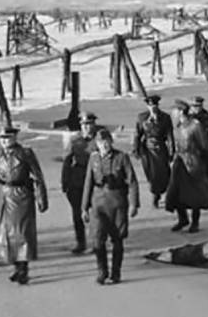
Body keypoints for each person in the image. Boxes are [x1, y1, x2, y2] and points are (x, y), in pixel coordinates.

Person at [0, 126, 48, 284]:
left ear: (15, 138)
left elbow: (37, 176)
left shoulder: (25, 153)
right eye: (2, 138)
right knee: (7, 234)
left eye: (8, 138)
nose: (5, 141)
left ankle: (23, 269)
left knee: (21, 234)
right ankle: (15, 266)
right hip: (4, 194)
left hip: (21, 195)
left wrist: (41, 198)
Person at [81, 129, 140, 284]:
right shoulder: (93, 159)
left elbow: (132, 181)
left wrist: (134, 204)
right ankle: (102, 271)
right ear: (96, 144)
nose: (104, 145)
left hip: (117, 202)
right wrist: (84, 207)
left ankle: (116, 272)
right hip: (98, 202)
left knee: (117, 239)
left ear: (111, 142)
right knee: (98, 239)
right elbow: (88, 183)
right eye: (101, 142)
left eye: (107, 142)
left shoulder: (122, 157)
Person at [165, 100, 208, 232]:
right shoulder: (176, 126)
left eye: (174, 111)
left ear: (181, 111)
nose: (172, 113)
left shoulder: (195, 126)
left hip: (194, 162)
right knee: (175, 192)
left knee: (195, 194)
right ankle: (182, 219)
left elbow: (205, 146)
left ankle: (195, 222)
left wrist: (199, 160)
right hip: (179, 162)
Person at [61, 114, 98, 254]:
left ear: (94, 125)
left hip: (95, 181)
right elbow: (66, 162)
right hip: (77, 182)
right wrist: (65, 182)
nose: (87, 127)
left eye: (89, 124)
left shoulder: (99, 140)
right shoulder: (75, 141)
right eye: (84, 125)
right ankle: (80, 242)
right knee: (77, 214)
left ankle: (97, 242)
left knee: (96, 214)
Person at [133, 95, 174, 208]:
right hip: (147, 150)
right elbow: (137, 134)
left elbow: (170, 136)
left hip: (161, 149)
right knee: (151, 175)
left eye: (154, 105)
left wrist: (172, 151)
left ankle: (162, 193)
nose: (152, 108)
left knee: (164, 173)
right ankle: (155, 195)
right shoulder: (142, 117)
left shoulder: (165, 117)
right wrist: (136, 149)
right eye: (150, 105)